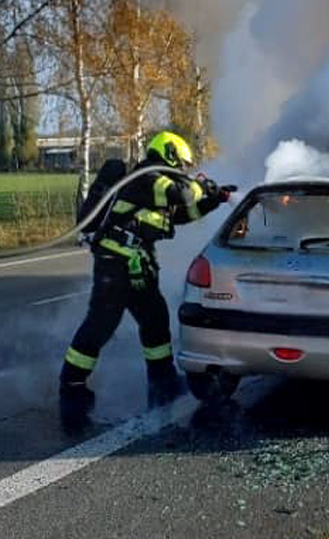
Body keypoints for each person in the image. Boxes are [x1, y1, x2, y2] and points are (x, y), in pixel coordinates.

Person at [59, 131, 228, 423]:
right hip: (115, 264)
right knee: (101, 325)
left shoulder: (156, 186)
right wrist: (202, 186)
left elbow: (181, 213)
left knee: (155, 320)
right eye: (181, 164)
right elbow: (183, 194)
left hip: (137, 264)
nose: (183, 170)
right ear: (170, 154)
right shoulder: (147, 177)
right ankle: (72, 388)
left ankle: (162, 383)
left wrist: (216, 198)